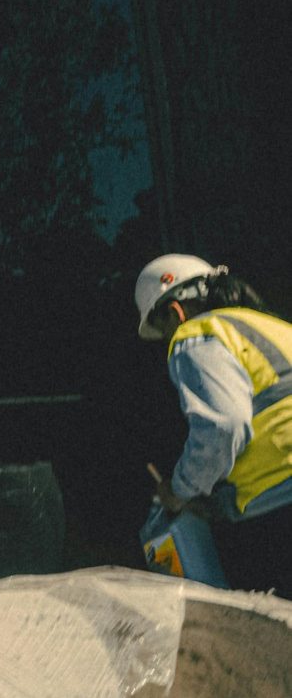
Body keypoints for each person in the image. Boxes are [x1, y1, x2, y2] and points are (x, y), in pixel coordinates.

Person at [134, 253, 292, 596]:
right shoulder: (271, 327)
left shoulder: (197, 334)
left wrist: (180, 491)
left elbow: (223, 426)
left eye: (164, 330)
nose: (168, 339)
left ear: (175, 312)